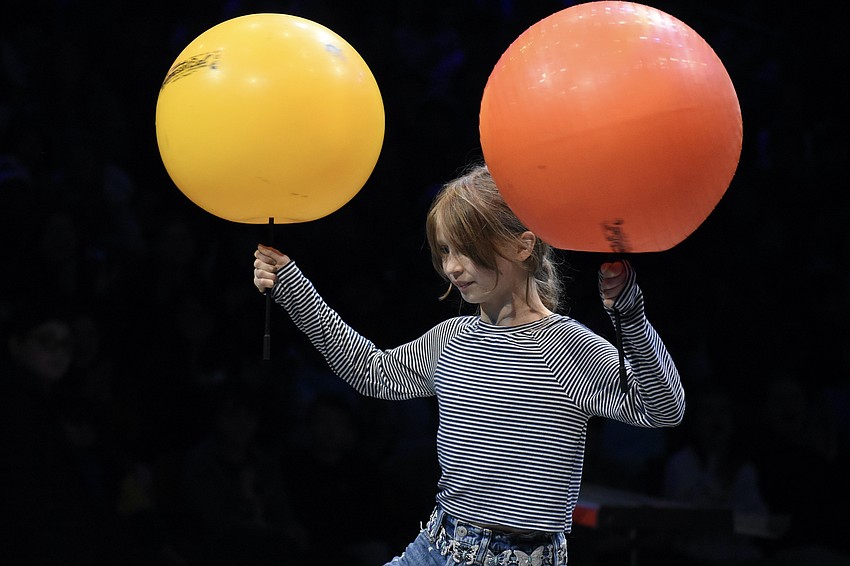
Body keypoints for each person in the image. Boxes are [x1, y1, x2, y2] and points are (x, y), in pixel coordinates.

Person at [252, 163, 685, 565]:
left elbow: (662, 408)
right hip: (437, 547)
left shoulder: (566, 347)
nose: (453, 268)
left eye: (469, 251)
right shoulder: (452, 338)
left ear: (523, 245)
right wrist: (291, 283)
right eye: (444, 251)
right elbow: (370, 370)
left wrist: (629, 315)